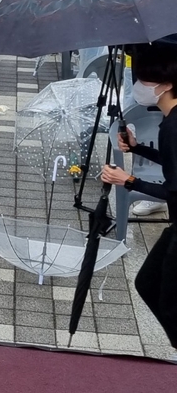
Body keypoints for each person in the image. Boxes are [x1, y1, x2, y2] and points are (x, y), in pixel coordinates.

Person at [101, 41, 177, 349]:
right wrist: (137, 148)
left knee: (169, 302)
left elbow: (173, 191)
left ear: (167, 85)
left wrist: (128, 180)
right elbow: (173, 165)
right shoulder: (169, 123)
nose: (140, 86)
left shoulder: (173, 127)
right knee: (147, 283)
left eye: (146, 81)